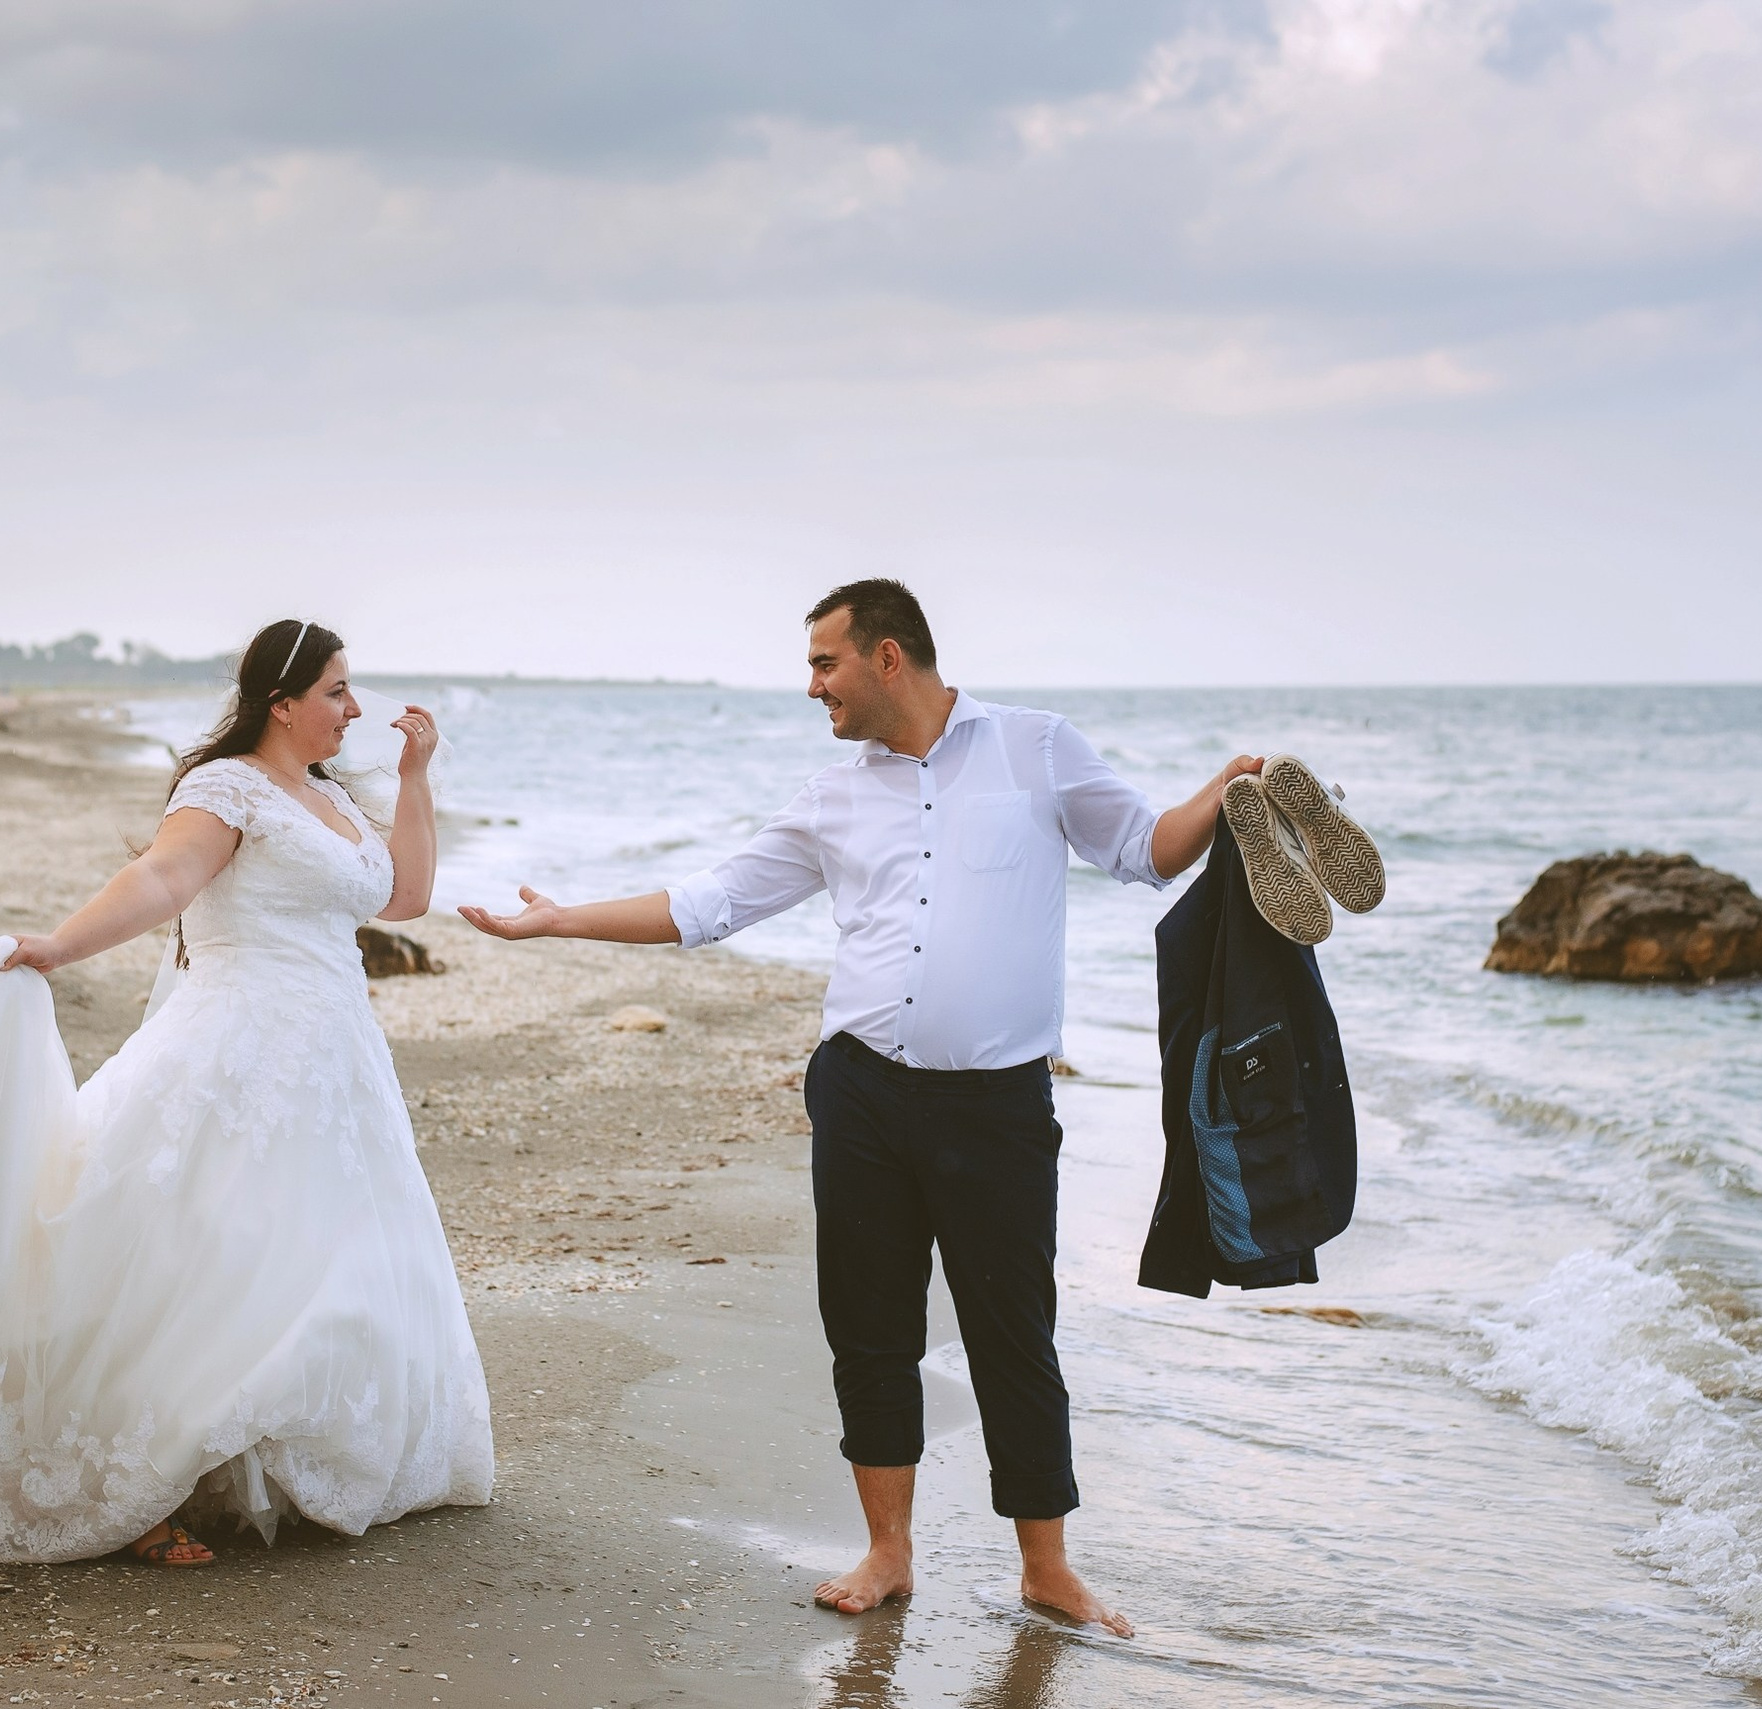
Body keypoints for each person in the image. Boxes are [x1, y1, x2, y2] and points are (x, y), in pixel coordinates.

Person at [460, 580, 1255, 1629]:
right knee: (869, 1326)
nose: (812, 686)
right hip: (863, 1091)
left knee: (1013, 1329)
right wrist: (562, 920)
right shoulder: (832, 796)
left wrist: (1222, 790)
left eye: (824, 663)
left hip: (997, 1105)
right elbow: (709, 903)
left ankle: (1046, 1566)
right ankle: (888, 1551)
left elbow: (1145, 849)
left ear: (888, 657)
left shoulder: (1035, 746)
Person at [0, 620, 494, 1565]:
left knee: (319, 1258)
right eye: (337, 690)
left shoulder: (331, 798)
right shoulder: (226, 788)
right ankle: (129, 1477)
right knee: (189, 1249)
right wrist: (62, 945)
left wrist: (417, 777)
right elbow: (163, 876)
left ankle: (263, 1452)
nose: (354, 708)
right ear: (283, 703)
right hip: (236, 1047)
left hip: (337, 1062)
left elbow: (403, 897)